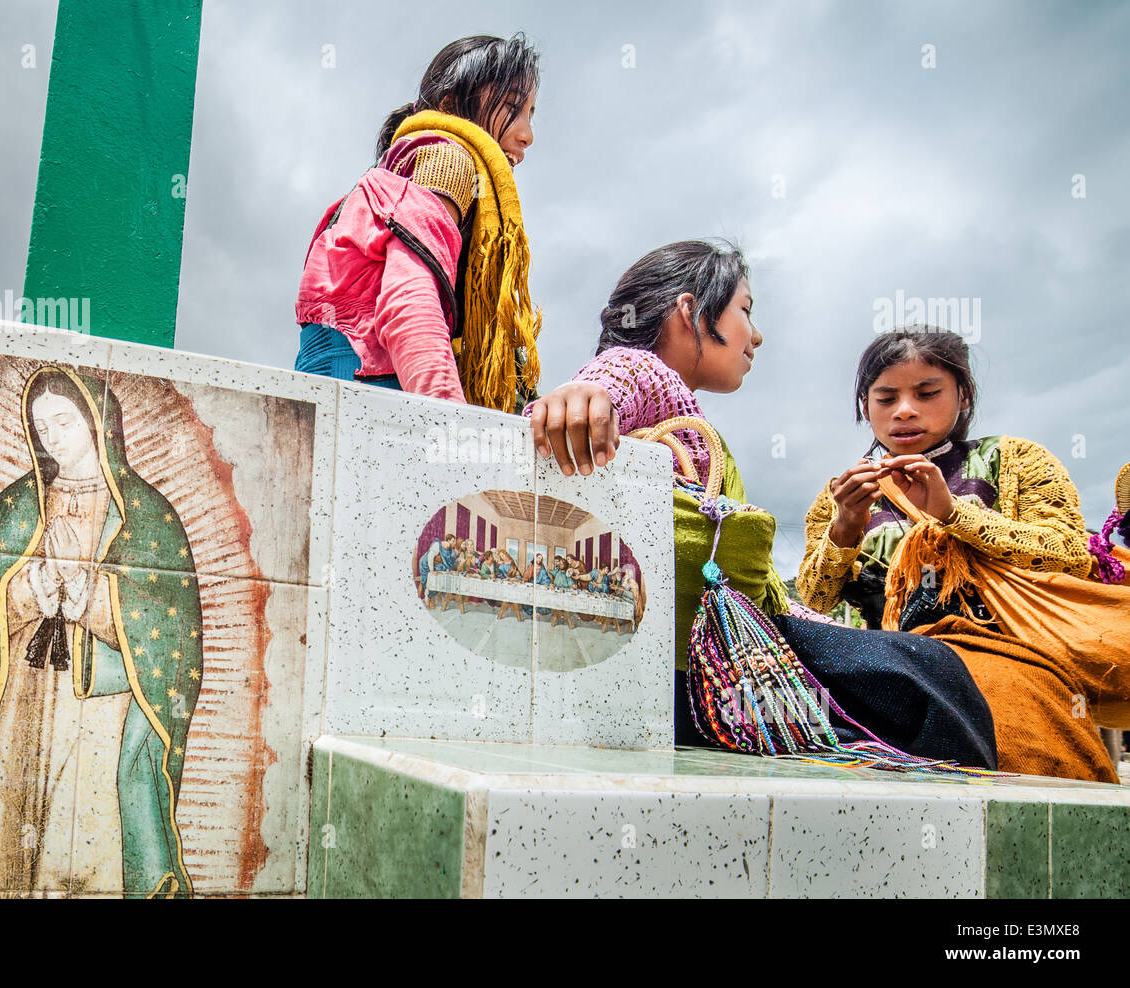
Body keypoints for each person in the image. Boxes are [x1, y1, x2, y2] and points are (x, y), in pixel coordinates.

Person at [525, 240, 997, 768]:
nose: (757, 334)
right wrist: (580, 396)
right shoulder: (648, 373)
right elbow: (618, 377)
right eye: (745, 310)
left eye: (927, 393)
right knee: (932, 678)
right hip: (708, 665)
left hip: (696, 656)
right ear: (689, 312)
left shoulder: (1009, 460)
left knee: (923, 671)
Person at [797, 329, 1127, 782]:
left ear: (963, 395)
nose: (905, 410)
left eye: (927, 392)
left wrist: (955, 516)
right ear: (865, 407)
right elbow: (814, 601)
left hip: (1011, 671)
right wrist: (844, 529)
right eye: (885, 397)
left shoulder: (1015, 460)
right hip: (878, 681)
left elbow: (1068, 554)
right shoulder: (841, 494)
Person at [0, 367, 203, 897]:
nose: (51, 436)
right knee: (9, 846)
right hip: (16, 706)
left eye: (64, 421)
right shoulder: (14, 506)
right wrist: (30, 588)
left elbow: (172, 632)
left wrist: (93, 600)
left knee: (87, 848)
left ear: (98, 423)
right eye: (41, 426)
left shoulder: (145, 515)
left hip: (100, 714)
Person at [294, 34, 541, 413]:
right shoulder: (449, 161)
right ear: (450, 103)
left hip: (333, 394)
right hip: (370, 397)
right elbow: (408, 302)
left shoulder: (395, 172)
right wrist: (453, 429)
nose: (526, 134)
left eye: (530, 114)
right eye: (511, 108)